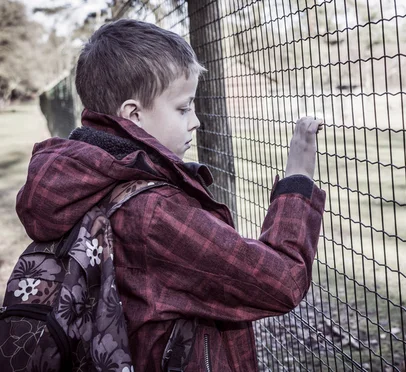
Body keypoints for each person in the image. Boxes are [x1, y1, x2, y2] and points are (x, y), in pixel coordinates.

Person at [16, 18, 325, 371]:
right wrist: (297, 180)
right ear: (133, 115)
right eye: (182, 108)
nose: (195, 121)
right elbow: (281, 281)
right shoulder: (154, 213)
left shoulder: (86, 175)